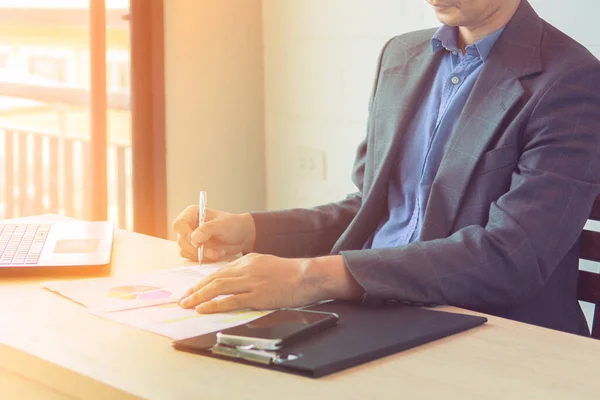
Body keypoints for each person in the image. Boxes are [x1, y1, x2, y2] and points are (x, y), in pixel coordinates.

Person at [172, 0, 600, 336]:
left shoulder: (571, 79)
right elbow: (373, 208)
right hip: (371, 314)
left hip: (492, 333)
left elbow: (512, 255)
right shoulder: (402, 54)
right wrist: (251, 230)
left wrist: (313, 276)